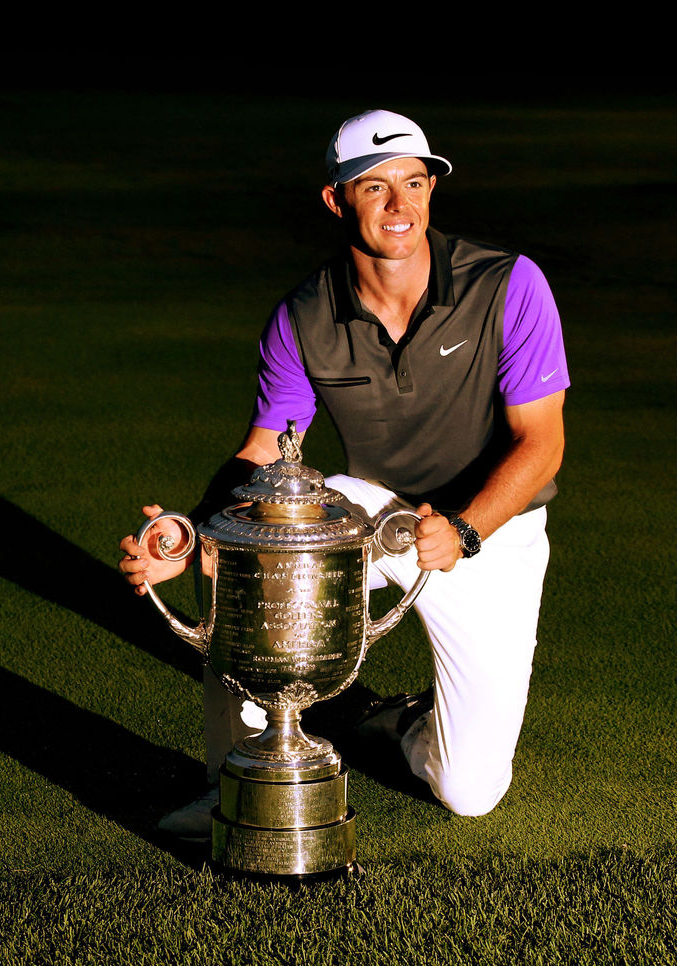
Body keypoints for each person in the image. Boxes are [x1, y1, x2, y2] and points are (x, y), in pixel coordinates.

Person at [119, 109, 568, 837]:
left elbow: (540, 444)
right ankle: (235, 778)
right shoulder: (303, 316)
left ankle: (397, 722)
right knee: (251, 549)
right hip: (377, 512)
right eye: (374, 186)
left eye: (413, 182)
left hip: (492, 531)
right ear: (337, 199)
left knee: (469, 790)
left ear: (431, 189)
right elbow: (264, 450)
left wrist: (465, 529)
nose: (399, 204)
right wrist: (196, 536)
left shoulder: (509, 284)